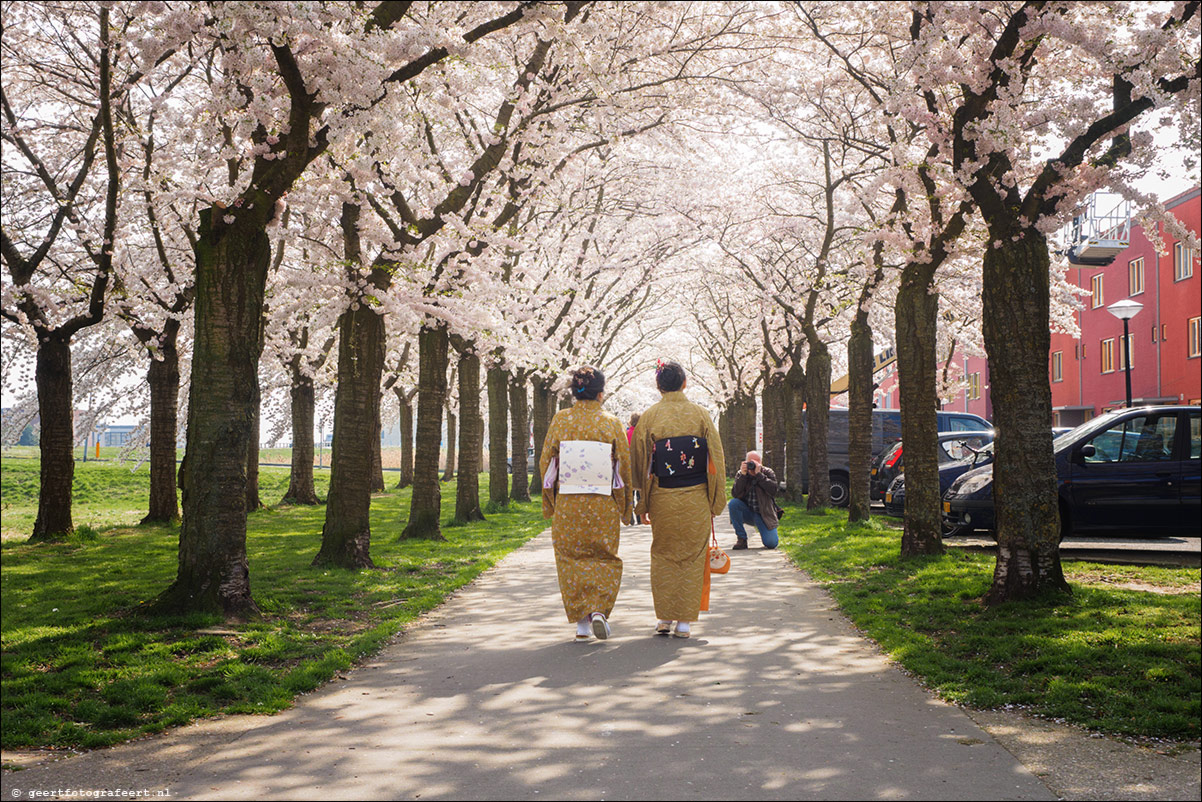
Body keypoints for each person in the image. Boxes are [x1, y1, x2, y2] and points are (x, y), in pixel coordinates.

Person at [630, 360, 726, 639]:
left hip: (662, 496)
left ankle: (664, 618)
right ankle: (684, 623)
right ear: (685, 383)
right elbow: (716, 458)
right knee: (693, 556)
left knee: (663, 554)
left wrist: (643, 502)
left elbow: (640, 462)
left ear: (658, 386)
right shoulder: (700, 414)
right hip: (696, 494)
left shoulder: (649, 417)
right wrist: (715, 499)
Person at [540, 366, 633, 642]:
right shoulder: (611, 422)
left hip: (569, 501)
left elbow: (547, 460)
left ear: (574, 392)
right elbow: (623, 466)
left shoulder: (561, 420)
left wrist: (550, 501)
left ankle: (581, 624)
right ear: (601, 394)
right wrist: (625, 505)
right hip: (602, 500)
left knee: (570, 557)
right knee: (604, 555)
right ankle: (598, 611)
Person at [728, 450, 780, 550]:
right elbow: (735, 494)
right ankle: (741, 539)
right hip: (747, 512)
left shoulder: (767, 472)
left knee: (771, 543)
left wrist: (759, 475)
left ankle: (763, 530)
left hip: (764, 515)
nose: (754, 464)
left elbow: (773, 491)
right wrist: (743, 476)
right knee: (733, 504)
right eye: (751, 462)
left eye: (756, 462)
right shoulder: (741, 474)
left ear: (761, 462)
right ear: (746, 462)